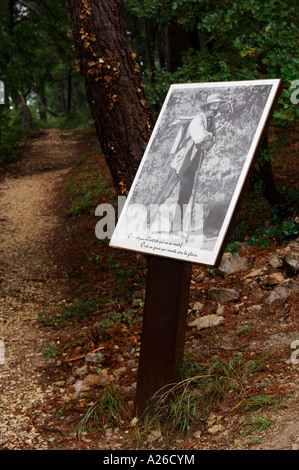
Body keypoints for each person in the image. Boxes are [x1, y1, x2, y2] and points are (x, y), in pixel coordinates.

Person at [151, 93, 223, 236]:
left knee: (184, 197)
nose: (216, 108)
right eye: (214, 106)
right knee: (166, 192)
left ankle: (175, 229)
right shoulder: (198, 120)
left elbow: (210, 144)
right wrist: (209, 137)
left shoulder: (210, 121)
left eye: (218, 106)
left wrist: (209, 139)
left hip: (192, 167)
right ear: (208, 107)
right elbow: (200, 138)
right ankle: (148, 219)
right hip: (181, 163)